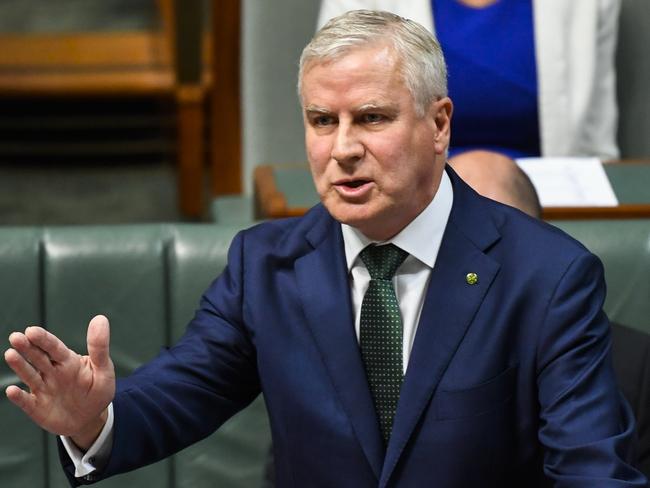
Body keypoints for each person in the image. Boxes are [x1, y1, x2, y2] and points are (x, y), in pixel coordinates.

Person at [4, 10, 646, 487]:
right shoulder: (267, 267)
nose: (342, 148)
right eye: (321, 121)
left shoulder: (549, 276)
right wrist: (93, 419)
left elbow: (592, 471)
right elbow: (181, 393)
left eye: (371, 118)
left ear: (439, 125)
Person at [318, 0, 622, 166]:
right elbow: (334, 120)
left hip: (546, 205)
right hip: (408, 199)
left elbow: (595, 147)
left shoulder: (589, 5)